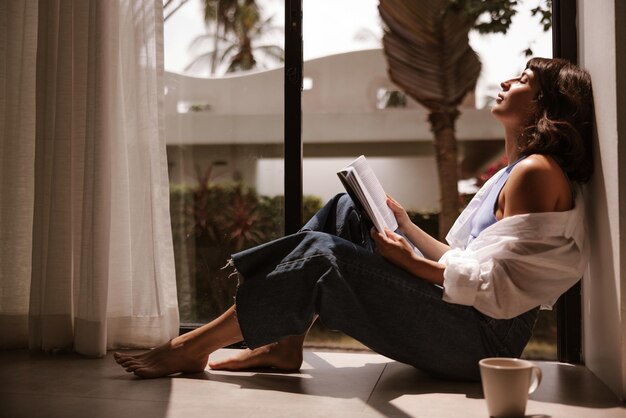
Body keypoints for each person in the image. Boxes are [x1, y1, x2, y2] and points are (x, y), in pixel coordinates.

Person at [115, 57, 594, 381]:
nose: (507, 82)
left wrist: (407, 261)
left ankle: (189, 348)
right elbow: (469, 262)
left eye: (523, 81)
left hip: (484, 341)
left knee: (322, 257)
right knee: (348, 209)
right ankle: (282, 345)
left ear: (545, 105)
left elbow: (498, 289)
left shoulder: (535, 171)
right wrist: (405, 226)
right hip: (474, 321)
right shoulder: (515, 171)